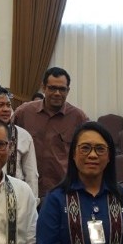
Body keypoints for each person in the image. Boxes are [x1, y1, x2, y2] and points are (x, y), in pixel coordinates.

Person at [16, 67, 89, 197]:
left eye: (62, 89)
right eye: (52, 88)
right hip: (26, 189)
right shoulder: (24, 113)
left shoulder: (78, 117)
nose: (57, 93)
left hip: (63, 190)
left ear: (68, 90)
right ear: (43, 88)